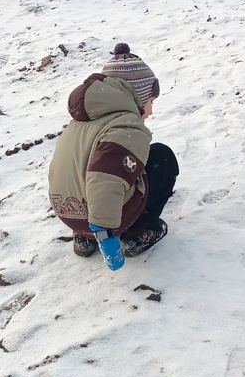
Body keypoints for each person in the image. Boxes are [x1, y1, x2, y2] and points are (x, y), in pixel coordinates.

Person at [48, 43, 179, 261]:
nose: (152, 110)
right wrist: (104, 232)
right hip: (99, 222)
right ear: (138, 96)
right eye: (150, 101)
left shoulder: (81, 120)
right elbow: (105, 178)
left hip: (67, 212)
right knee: (161, 158)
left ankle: (85, 238)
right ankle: (138, 233)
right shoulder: (126, 126)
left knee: (103, 162)